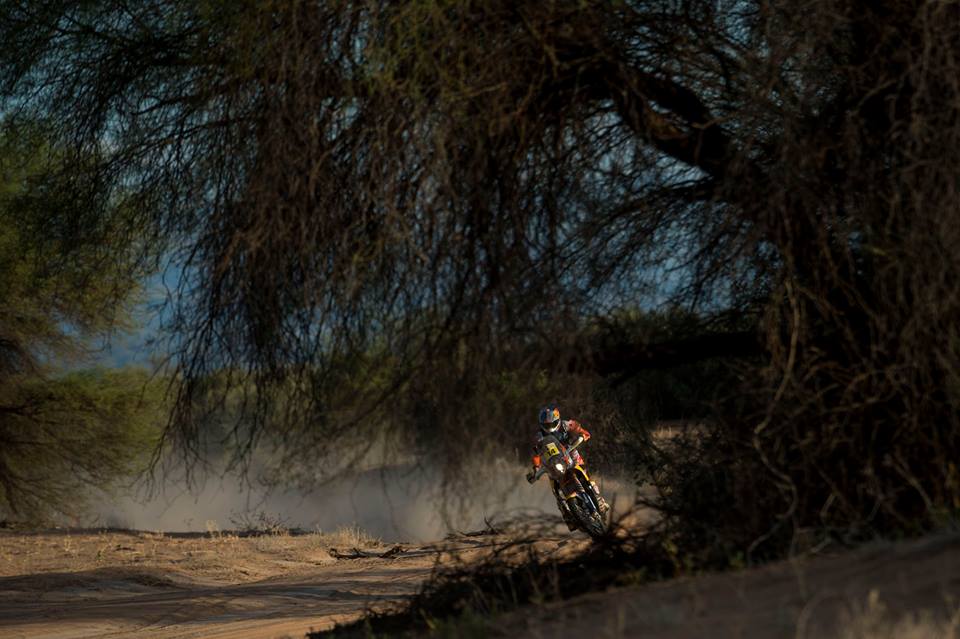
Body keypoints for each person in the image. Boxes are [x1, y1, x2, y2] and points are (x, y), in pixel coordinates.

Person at [526, 404, 609, 530]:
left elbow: (579, 429)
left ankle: (597, 497)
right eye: (546, 425)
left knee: (584, 471)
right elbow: (536, 454)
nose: (549, 427)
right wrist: (536, 469)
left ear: (557, 420)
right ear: (541, 424)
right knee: (556, 491)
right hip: (553, 463)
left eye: (552, 424)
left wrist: (583, 435)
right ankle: (567, 515)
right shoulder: (539, 437)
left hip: (570, 453)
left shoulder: (566, 425)